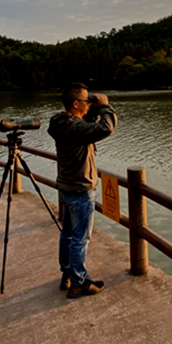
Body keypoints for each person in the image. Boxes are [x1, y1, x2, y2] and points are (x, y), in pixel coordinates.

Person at [47, 82, 117, 298]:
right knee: (80, 238)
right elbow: (106, 128)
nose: (89, 103)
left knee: (67, 234)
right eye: (86, 100)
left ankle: (67, 274)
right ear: (76, 103)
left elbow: (84, 125)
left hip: (67, 188)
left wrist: (92, 110)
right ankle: (79, 283)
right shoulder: (74, 128)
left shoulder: (61, 122)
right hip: (80, 190)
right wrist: (105, 107)